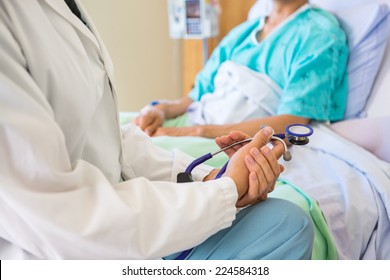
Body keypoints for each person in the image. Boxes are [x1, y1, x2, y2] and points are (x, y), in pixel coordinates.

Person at [0, 0, 314, 259]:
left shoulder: (319, 30)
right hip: (65, 248)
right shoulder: (243, 32)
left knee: (287, 220)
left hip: (121, 211)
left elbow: (98, 137)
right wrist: (224, 189)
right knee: (289, 226)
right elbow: (64, 214)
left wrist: (210, 177)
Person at [135, 0, 349, 138]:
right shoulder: (242, 33)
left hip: (228, 139)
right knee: (120, 131)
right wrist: (161, 110)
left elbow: (292, 121)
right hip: (195, 120)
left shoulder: (321, 34)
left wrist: (195, 133)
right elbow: (195, 95)